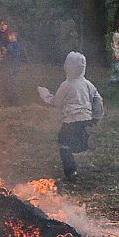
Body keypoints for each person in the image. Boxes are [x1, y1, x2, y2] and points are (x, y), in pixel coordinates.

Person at [38, 52, 104, 181]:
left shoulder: (66, 84)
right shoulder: (88, 84)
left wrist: (45, 95)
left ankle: (71, 172)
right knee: (75, 137)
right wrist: (96, 117)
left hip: (71, 120)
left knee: (63, 143)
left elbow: (56, 102)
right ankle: (82, 142)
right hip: (85, 118)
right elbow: (98, 100)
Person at [2, 30, 24, 104]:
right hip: (8, 66)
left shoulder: (16, 45)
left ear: (15, 36)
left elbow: (15, 55)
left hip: (13, 66)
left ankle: (15, 100)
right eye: (9, 36)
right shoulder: (9, 44)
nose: (10, 37)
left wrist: (7, 51)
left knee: (12, 83)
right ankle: (9, 99)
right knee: (7, 83)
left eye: (12, 36)